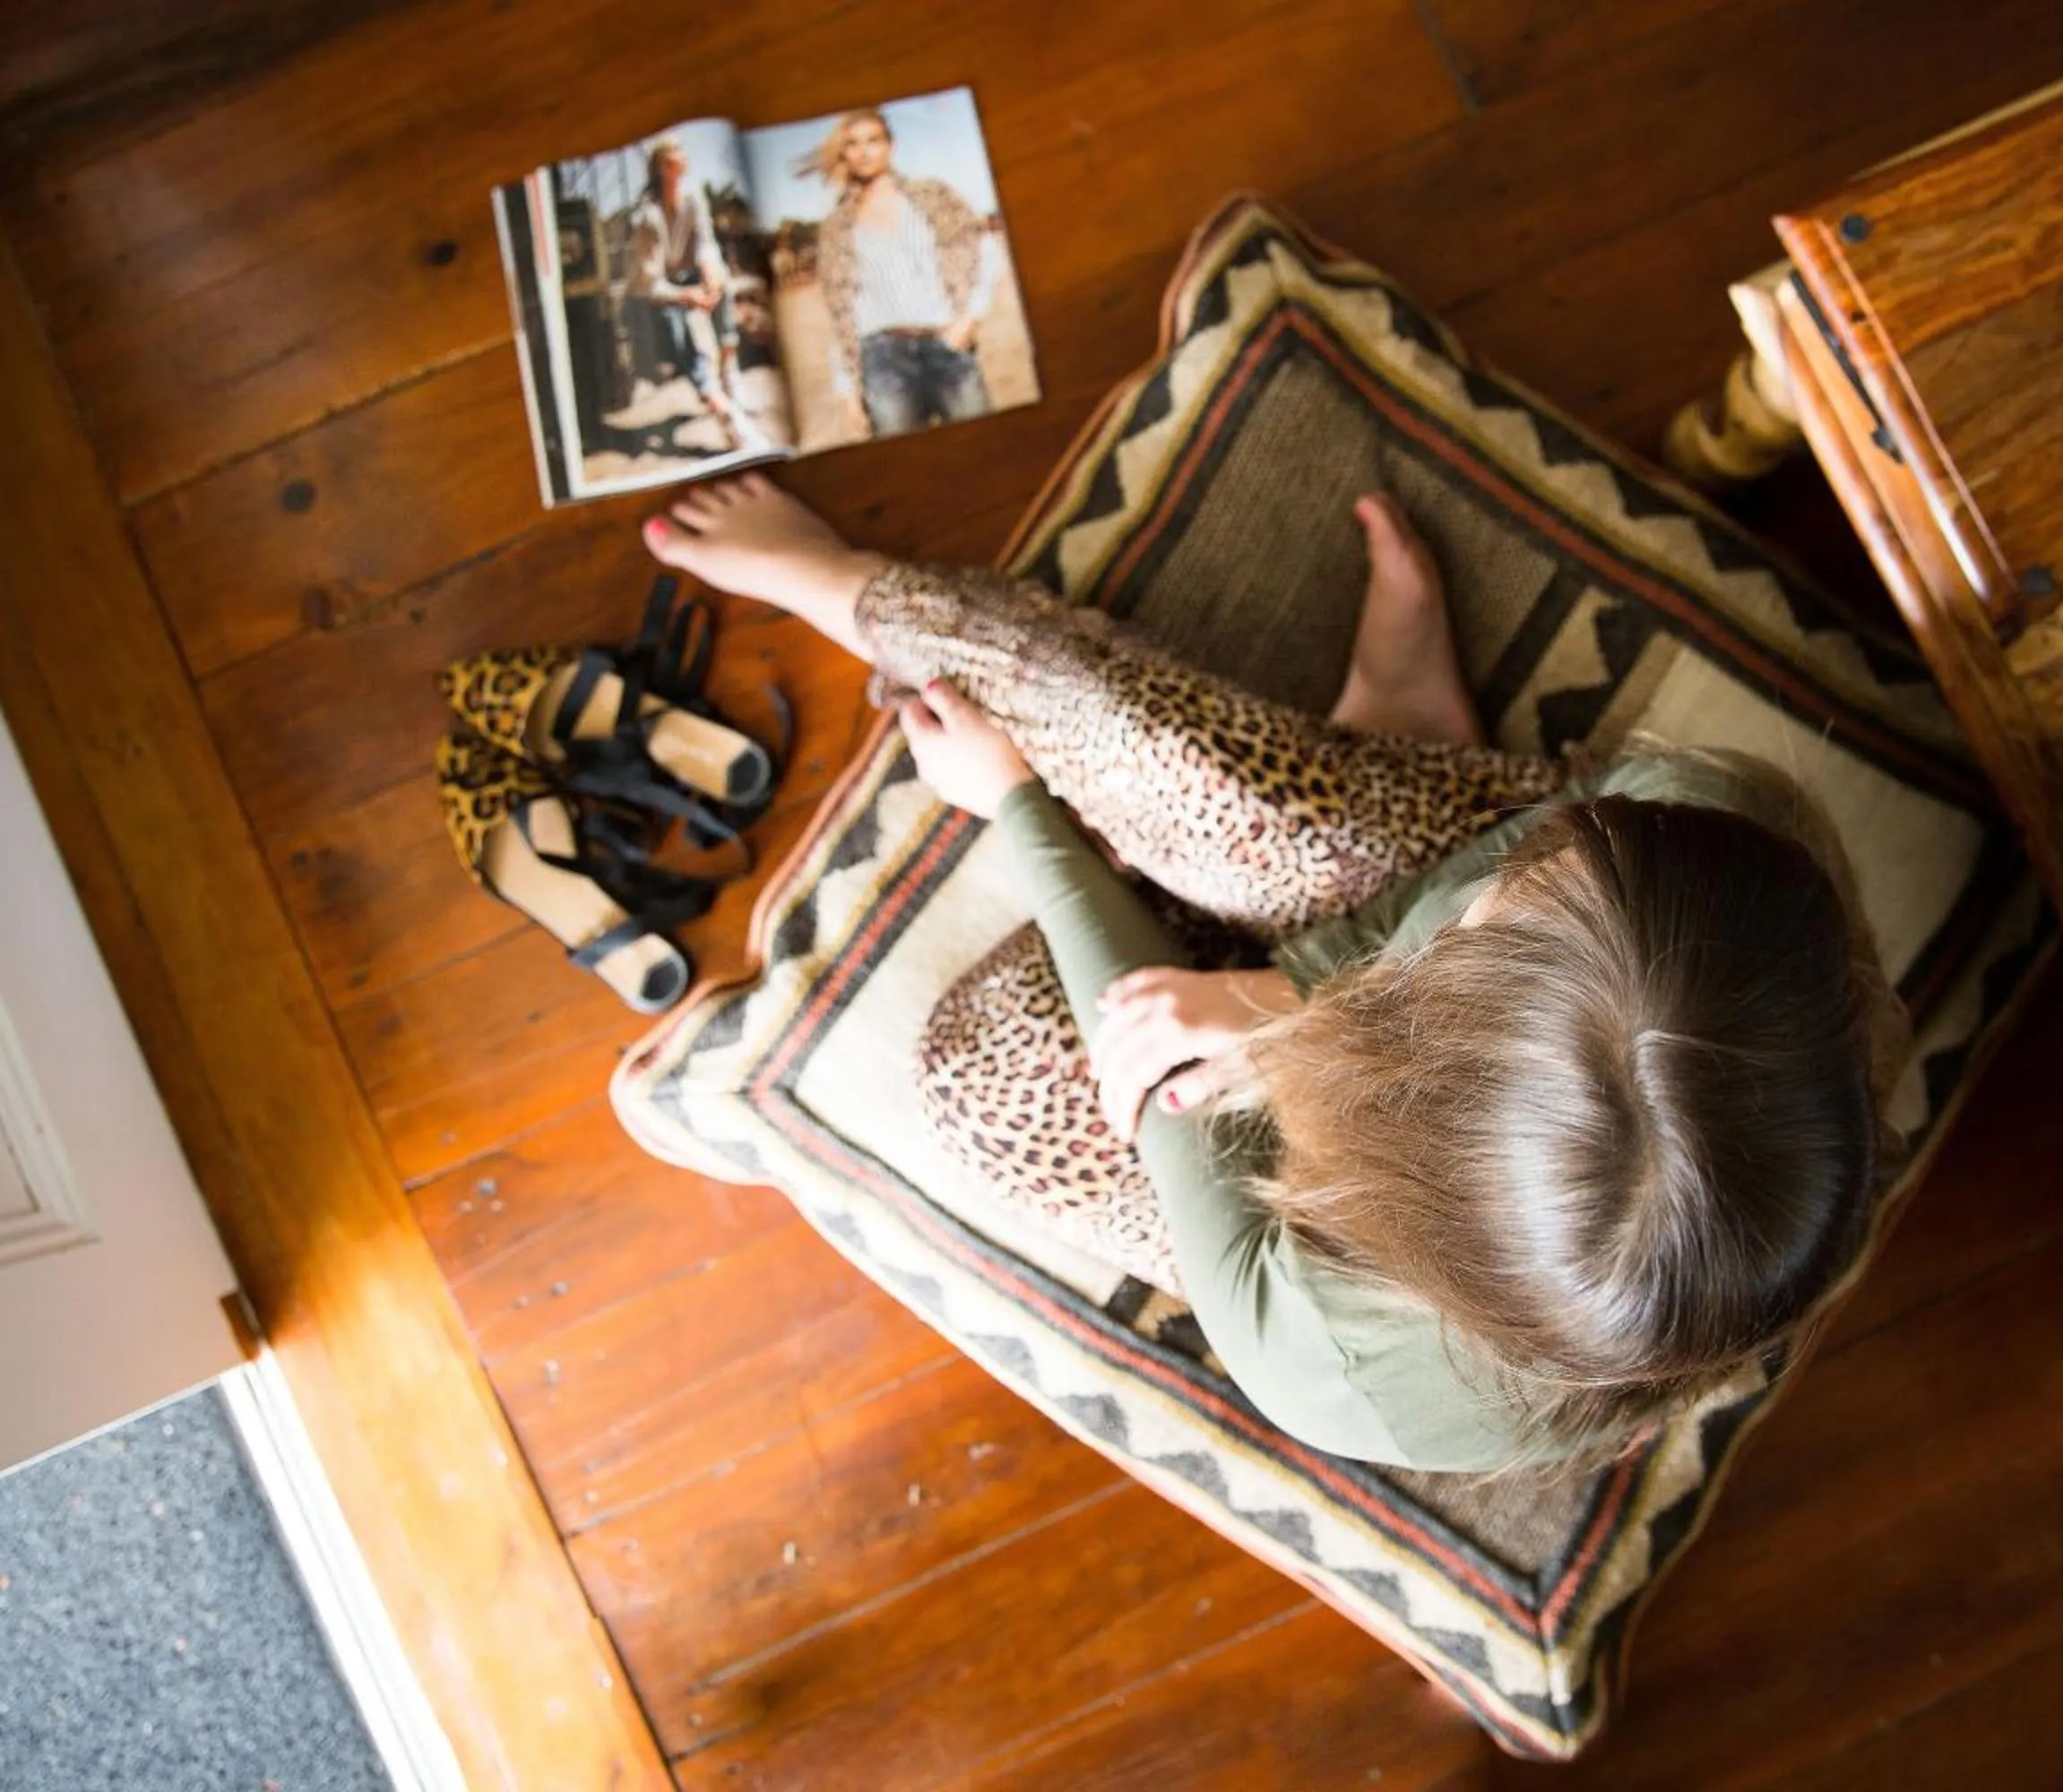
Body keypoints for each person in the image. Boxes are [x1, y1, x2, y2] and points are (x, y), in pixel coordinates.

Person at [638, 475, 1908, 1473]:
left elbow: (1159, 1085)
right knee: (1241, 798)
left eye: (1465, 938)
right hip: (1399, 941)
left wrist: (1023, 810)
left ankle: (1376, 758)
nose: (1470, 905)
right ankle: (867, 592)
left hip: (1330, 1145)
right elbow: (1464, 888)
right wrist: (1294, 1000)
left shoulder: (1336, 1359)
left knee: (988, 1071)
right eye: (1524, 889)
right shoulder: (1696, 832)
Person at [800, 109, 1001, 435]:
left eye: (873, 140)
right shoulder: (836, 227)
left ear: (890, 145)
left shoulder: (933, 196)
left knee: (988, 446)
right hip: (882, 360)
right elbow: (842, 313)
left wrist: (970, 319)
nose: (864, 151)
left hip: (946, 345)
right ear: (844, 154)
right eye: (853, 144)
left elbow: (986, 252)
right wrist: (848, 393)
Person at [624, 140, 761, 452]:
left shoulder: (694, 200)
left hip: (689, 275)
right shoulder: (646, 216)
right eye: (673, 159)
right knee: (679, 337)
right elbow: (651, 282)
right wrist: (688, 297)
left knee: (722, 280)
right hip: (659, 291)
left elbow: (706, 243)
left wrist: (710, 268)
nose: (682, 163)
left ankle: (729, 366)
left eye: (682, 157)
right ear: (660, 168)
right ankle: (721, 408)